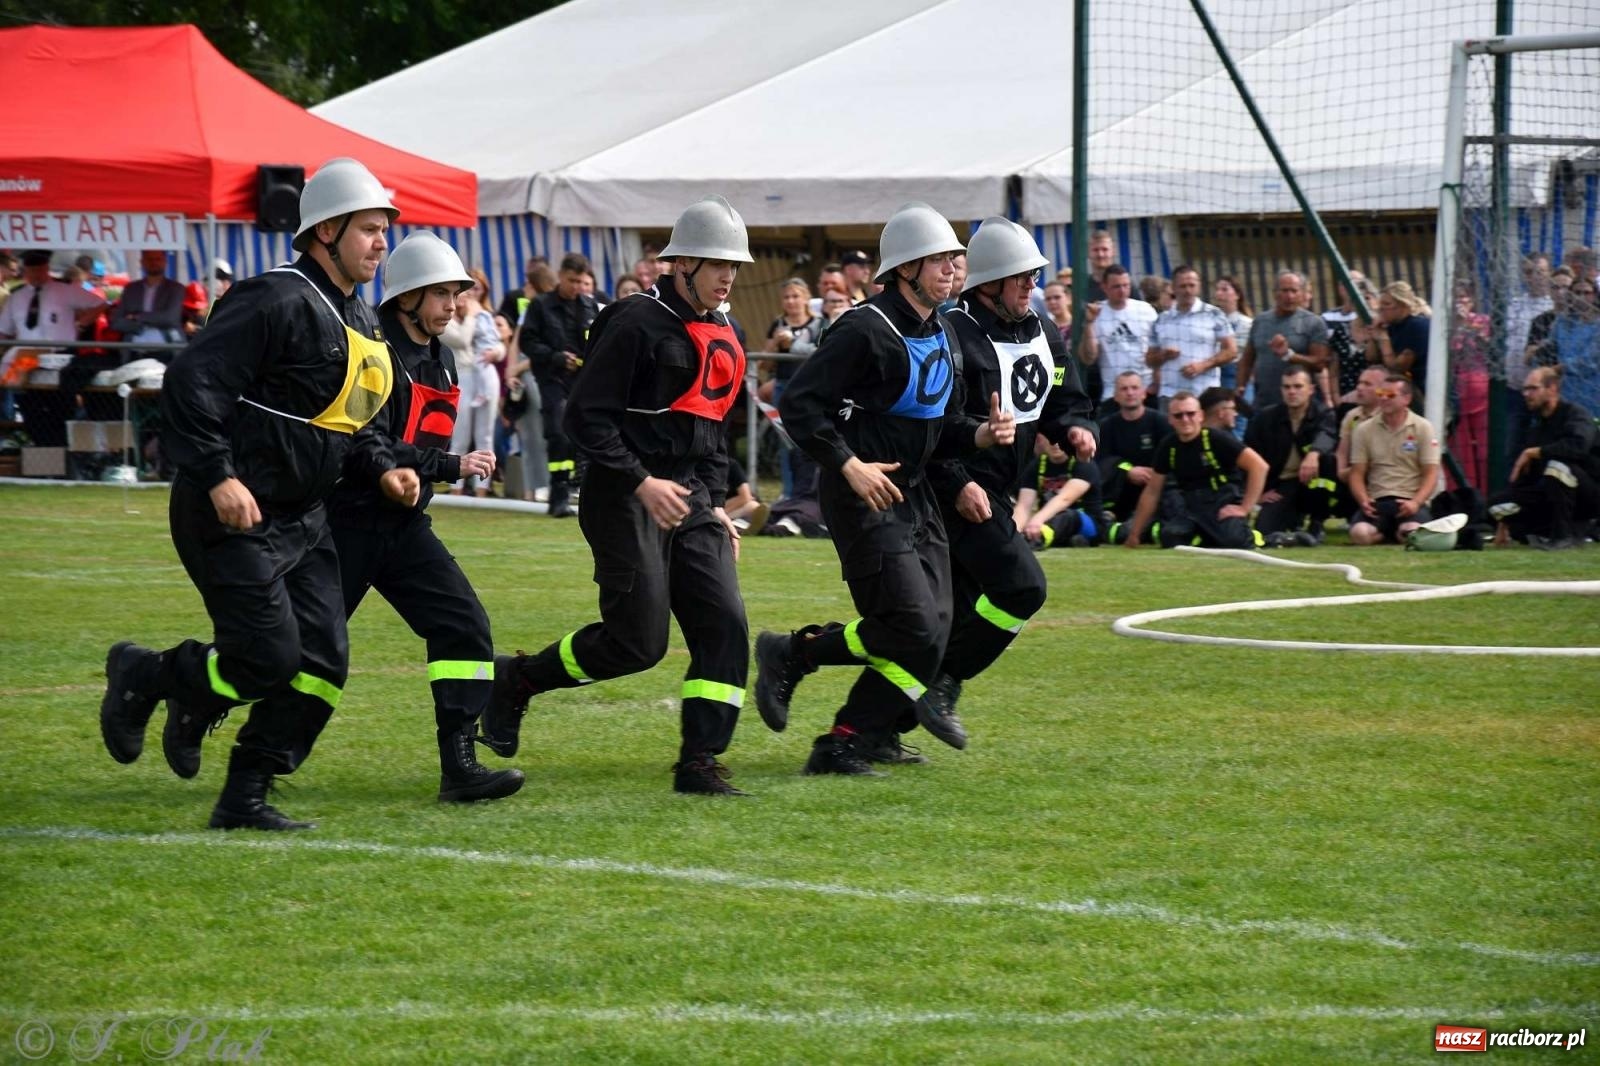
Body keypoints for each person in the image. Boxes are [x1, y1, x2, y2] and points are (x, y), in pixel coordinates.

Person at [98, 156, 400, 830]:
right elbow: (190, 385)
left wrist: (384, 465)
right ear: (325, 232)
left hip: (306, 518)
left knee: (323, 666)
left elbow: (358, 422)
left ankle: (245, 796)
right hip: (232, 511)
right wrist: (217, 475)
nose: (382, 243)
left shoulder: (363, 318)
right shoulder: (275, 297)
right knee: (268, 659)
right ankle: (146, 675)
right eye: (369, 230)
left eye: (385, 230)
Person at [480, 196, 758, 796]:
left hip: (689, 496)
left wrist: (712, 504)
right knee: (639, 643)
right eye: (716, 263)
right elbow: (585, 418)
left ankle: (700, 759)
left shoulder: (725, 330)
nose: (728, 275)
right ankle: (519, 680)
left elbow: (708, 432)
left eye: (734, 265)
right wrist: (641, 481)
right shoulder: (634, 321)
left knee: (726, 622)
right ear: (679, 264)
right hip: (622, 492)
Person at [751, 202, 1014, 775]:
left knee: (935, 634)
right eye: (938, 258)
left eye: (954, 258)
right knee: (914, 625)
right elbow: (799, 404)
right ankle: (819, 705)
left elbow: (941, 428)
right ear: (904, 268)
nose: (952, 267)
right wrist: (848, 465)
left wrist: (983, 439)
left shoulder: (942, 332)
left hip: (917, 496)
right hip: (862, 495)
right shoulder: (864, 329)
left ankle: (841, 719)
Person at [328, 232, 524, 803]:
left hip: (404, 526)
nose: (454, 305)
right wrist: (450, 464)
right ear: (406, 298)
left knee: (464, 625)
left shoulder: (441, 356)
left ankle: (460, 767)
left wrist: (435, 469)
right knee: (291, 649)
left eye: (456, 294)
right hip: (348, 524)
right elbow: (368, 441)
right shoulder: (375, 352)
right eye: (442, 294)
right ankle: (166, 679)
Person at [925, 218, 1098, 747]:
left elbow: (1064, 396)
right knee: (1023, 588)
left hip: (993, 491)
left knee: (935, 623)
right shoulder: (951, 335)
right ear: (991, 284)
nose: (1032, 286)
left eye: (1034, 276)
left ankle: (865, 720)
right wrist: (956, 482)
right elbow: (928, 426)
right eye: (1022, 276)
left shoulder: (1043, 330)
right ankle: (943, 686)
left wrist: (1076, 428)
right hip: (953, 492)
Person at [1126, 390, 1267, 549]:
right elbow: (1152, 491)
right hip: (1190, 507)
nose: (1185, 419)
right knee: (1170, 537)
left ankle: (1251, 535)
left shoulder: (1217, 439)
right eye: (1178, 415)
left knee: (1233, 540)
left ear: (1200, 415)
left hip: (1223, 502)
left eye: (1190, 414)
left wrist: (1244, 508)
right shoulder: (1168, 446)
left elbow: (1259, 466)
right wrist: (1134, 534)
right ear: (1170, 419)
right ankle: (1207, 539)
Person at [519, 252, 600, 516]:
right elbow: (527, 342)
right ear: (561, 276)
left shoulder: (590, 306)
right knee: (558, 433)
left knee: (586, 435)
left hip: (583, 381)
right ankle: (559, 495)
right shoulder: (540, 306)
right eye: (572, 280)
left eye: (581, 281)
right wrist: (555, 357)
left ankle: (587, 493)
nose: (576, 286)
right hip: (553, 379)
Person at [0, 249, 107, 446]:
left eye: (40, 270)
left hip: (60, 358)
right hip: (25, 360)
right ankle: (44, 460)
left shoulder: (65, 291)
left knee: (60, 413)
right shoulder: (16, 297)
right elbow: (4, 330)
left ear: (46, 268)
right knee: (32, 413)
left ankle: (61, 460)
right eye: (32, 271)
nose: (36, 275)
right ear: (26, 271)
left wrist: (82, 323)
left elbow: (100, 303)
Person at [1488, 365, 1598, 549]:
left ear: (1552, 389)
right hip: (1555, 495)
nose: (1526, 394)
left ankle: (1563, 538)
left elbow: (1578, 447)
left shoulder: (1576, 415)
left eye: (1533, 388)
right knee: (1495, 505)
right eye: (1525, 389)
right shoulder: (1537, 429)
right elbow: (1526, 478)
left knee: (1557, 467)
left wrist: (1536, 452)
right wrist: (1503, 523)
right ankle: (1549, 531)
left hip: (1590, 493)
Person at [1245, 365, 1339, 545]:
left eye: (1298, 386)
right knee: (1264, 531)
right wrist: (1259, 493)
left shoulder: (1323, 413)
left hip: (1310, 482)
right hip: (1281, 485)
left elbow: (1327, 435)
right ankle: (1292, 528)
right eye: (1287, 387)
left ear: (1311, 389)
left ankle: (1316, 523)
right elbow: (1248, 456)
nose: (1292, 392)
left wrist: (1313, 454)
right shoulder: (1266, 419)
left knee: (1327, 461)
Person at [1347, 376, 1440, 545]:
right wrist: (1364, 500)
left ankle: (1396, 533)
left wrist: (1416, 502)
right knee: (1359, 534)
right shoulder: (1364, 429)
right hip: (1378, 500)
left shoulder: (1423, 427)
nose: (1383, 398)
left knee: (1412, 531)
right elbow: (1357, 473)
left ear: (1407, 399)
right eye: (1380, 393)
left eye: (1390, 395)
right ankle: (1388, 535)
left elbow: (1431, 473)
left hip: (1409, 498)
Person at [760, 277, 824, 499]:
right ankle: (788, 493)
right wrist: (776, 343)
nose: (791, 301)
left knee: (812, 440)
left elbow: (824, 356)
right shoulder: (777, 325)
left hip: (811, 389)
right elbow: (764, 364)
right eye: (786, 297)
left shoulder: (819, 324)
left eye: (796, 296)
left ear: (806, 297)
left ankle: (811, 493)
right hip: (783, 387)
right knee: (785, 442)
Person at [1236, 271, 1330, 416]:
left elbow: (1320, 363)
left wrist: (1289, 356)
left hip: (1299, 406)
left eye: (1294, 291)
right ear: (1275, 293)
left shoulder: (1313, 323)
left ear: (1302, 293)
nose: (1289, 296)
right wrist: (1240, 386)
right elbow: (1247, 360)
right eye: (1285, 290)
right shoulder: (1260, 321)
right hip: (1264, 404)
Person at [444, 268, 502, 496]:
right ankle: (455, 486)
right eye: (466, 291)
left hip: (484, 374)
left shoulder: (484, 315)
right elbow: (461, 340)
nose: (469, 296)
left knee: (485, 434)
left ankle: (482, 487)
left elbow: (497, 344)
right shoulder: (450, 318)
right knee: (460, 434)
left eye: (475, 290)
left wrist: (496, 352)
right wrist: (471, 315)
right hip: (460, 377)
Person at [1146, 265, 1235, 406]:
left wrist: (1203, 365)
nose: (1188, 290)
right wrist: (1163, 355)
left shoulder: (1214, 314)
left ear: (1198, 286)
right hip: (1170, 396)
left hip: (1206, 394)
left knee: (1206, 430)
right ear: (1173, 288)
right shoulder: (1161, 320)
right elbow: (1149, 360)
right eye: (1182, 286)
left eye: (1191, 285)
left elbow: (1231, 351)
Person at [1078, 265, 1156, 413]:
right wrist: (1089, 323)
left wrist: (1157, 382)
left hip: (1146, 390)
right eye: (1116, 286)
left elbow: (1158, 348)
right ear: (1104, 287)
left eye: (1126, 285)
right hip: (1113, 393)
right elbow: (1088, 358)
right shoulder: (1097, 312)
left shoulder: (1146, 310)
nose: (1122, 290)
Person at [1096, 369, 1166, 527]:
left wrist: (1155, 473)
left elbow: (1170, 456)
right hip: (1121, 491)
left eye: (1134, 388)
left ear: (1144, 393)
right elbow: (1102, 460)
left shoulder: (1160, 422)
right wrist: (1128, 471)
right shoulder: (1107, 426)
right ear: (1115, 396)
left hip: (1155, 487)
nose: (1130, 393)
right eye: (1124, 389)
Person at [1014, 431, 1104, 550]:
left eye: (1060, 438)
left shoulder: (1084, 463)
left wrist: (1037, 520)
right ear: (1041, 439)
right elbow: (1023, 507)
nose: (1055, 444)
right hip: (1048, 522)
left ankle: (1036, 540)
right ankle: (1071, 540)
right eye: (1051, 438)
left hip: (1087, 524)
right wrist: (1013, 533)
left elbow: (1064, 498)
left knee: (1069, 516)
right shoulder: (1036, 466)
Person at [110, 249, 187, 353]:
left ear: (165, 262)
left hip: (167, 349)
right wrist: (142, 325)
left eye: (158, 259)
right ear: (142, 262)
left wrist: (137, 317)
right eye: (149, 259)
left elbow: (171, 318)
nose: (154, 262)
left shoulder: (176, 288)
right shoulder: (130, 289)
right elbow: (116, 322)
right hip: (134, 351)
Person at [1367, 281, 1431, 399]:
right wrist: (1373, 334)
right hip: (1403, 390)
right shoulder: (1390, 326)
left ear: (1403, 305)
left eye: (1386, 304)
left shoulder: (1418, 325)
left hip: (1426, 390)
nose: (1381, 309)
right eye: (1380, 304)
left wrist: (1383, 338)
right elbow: (1370, 358)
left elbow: (1398, 368)